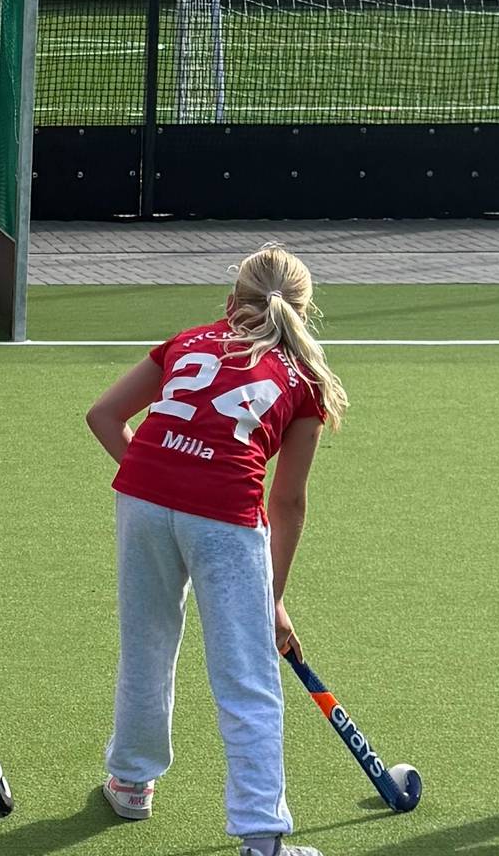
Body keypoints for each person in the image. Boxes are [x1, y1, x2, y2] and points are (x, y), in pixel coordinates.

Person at [83, 244, 348, 856]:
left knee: (146, 642)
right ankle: (262, 838)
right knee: (247, 677)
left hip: (141, 499)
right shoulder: (304, 378)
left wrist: (161, 480)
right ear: (302, 316)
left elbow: (103, 416)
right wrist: (272, 597)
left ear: (230, 303)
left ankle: (130, 781)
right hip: (225, 517)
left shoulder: (188, 339)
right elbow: (288, 503)